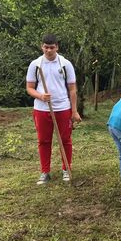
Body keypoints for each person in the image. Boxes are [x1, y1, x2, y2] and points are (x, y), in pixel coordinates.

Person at [26, 34, 82, 185]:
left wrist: (74, 111)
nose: (49, 50)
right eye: (46, 47)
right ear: (41, 46)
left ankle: (66, 169)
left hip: (63, 107)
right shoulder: (36, 65)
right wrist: (40, 96)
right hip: (41, 109)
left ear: (57, 47)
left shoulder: (65, 64)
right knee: (43, 141)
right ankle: (45, 172)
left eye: (52, 47)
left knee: (65, 140)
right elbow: (29, 88)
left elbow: (72, 89)